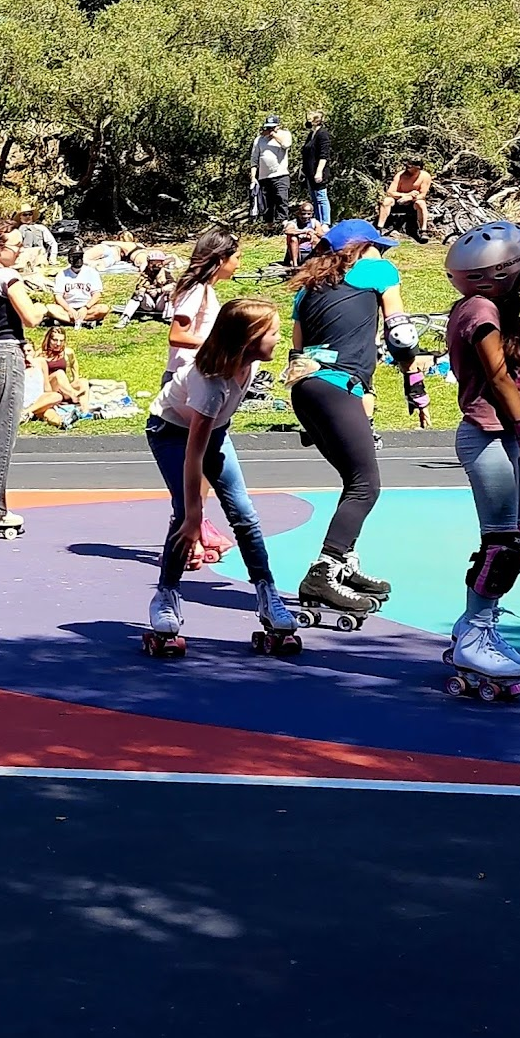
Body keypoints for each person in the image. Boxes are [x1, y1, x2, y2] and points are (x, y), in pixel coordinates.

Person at [140, 299, 296, 655]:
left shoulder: (250, 366)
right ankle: (165, 595)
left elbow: (214, 437)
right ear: (248, 339)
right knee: (183, 515)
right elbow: (194, 454)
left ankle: (267, 593)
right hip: (171, 431)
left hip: (214, 431)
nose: (278, 337)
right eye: (272, 332)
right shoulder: (211, 384)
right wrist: (195, 513)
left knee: (244, 513)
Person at [442, 222, 520, 698]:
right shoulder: (481, 311)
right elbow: (499, 377)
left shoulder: (493, 306)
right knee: (501, 546)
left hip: (511, 435)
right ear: (504, 274)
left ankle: (475, 623)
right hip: (490, 435)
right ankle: (474, 634)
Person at [282, 221, 409, 617]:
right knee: (365, 486)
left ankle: (346, 563)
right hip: (338, 390)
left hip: (308, 389)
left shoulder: (307, 288)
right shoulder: (377, 272)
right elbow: (400, 334)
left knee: (353, 481)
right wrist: (414, 377)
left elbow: (297, 351)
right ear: (361, 249)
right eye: (378, 247)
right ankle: (324, 570)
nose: (384, 255)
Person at [0, 222, 64, 539]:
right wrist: (51, 306)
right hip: (4, 357)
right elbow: (30, 318)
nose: (20, 250)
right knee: (0, 438)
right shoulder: (7, 277)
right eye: (15, 245)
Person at [163, 229, 240, 385]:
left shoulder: (204, 289)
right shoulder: (196, 290)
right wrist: (217, 346)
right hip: (183, 375)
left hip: (195, 371)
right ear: (221, 260)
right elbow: (177, 336)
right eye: (237, 258)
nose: (239, 265)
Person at [26, 325, 86, 428]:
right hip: (50, 385)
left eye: (61, 340)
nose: (58, 344)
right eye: (54, 340)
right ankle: (73, 395)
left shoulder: (68, 352)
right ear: (48, 339)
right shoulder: (40, 355)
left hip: (63, 386)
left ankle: (85, 410)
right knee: (59, 373)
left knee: (83, 382)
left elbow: (74, 364)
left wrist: (75, 378)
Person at [376, 156, 435, 243]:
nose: (408, 169)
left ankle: (423, 231)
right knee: (386, 201)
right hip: (398, 201)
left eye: (410, 167)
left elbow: (422, 194)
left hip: (413, 202)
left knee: (421, 203)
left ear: (418, 168)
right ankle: (379, 228)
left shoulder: (425, 176)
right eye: (407, 166)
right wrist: (405, 195)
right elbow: (390, 192)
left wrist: (410, 198)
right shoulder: (400, 175)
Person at [249, 115, 292, 225]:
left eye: (272, 127)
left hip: (281, 174)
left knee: (282, 200)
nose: (269, 130)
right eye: (268, 128)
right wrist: (253, 178)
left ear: (278, 126)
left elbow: (286, 145)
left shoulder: (285, 134)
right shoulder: (259, 140)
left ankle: (283, 225)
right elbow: (254, 159)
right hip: (264, 176)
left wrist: (274, 135)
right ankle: (269, 226)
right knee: (267, 203)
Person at [52, 245, 104, 323]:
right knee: (50, 308)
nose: (78, 259)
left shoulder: (92, 272)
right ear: (70, 259)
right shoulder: (62, 274)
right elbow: (58, 296)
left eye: (80, 256)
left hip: (87, 307)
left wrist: (86, 308)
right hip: (68, 307)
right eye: (75, 257)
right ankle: (85, 321)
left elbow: (97, 294)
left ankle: (67, 320)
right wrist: (69, 309)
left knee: (103, 309)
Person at [301, 109, 333, 225]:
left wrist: (319, 171)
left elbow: (324, 155)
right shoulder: (311, 134)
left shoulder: (322, 134)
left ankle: (325, 223)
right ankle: (318, 223)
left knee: (321, 197)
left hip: (318, 172)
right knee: (314, 198)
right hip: (309, 172)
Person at [280, 200, 324, 268]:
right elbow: (287, 230)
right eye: (303, 214)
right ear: (299, 213)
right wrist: (304, 231)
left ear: (312, 214)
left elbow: (321, 234)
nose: (306, 216)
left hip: (310, 251)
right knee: (293, 238)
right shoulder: (293, 223)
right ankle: (295, 264)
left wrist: (312, 233)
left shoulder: (315, 222)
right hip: (296, 253)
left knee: (316, 239)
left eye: (308, 214)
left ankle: (316, 261)